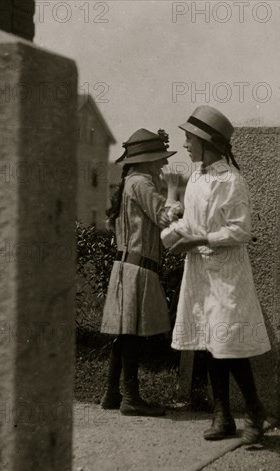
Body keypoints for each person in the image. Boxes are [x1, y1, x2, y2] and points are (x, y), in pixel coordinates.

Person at [164, 106, 271, 444]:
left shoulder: (232, 181)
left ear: (207, 142)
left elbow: (241, 231)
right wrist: (174, 234)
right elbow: (191, 223)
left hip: (226, 274)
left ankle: (254, 410)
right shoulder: (196, 178)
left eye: (189, 139)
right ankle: (222, 415)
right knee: (210, 343)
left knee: (229, 344)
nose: (185, 145)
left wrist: (199, 239)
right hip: (199, 271)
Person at [100, 128, 178, 417]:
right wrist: (173, 192)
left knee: (125, 332)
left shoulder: (130, 182)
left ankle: (112, 392)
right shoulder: (143, 183)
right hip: (138, 267)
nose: (163, 164)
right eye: (159, 158)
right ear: (146, 160)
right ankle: (130, 397)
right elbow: (165, 216)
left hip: (125, 266)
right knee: (132, 334)